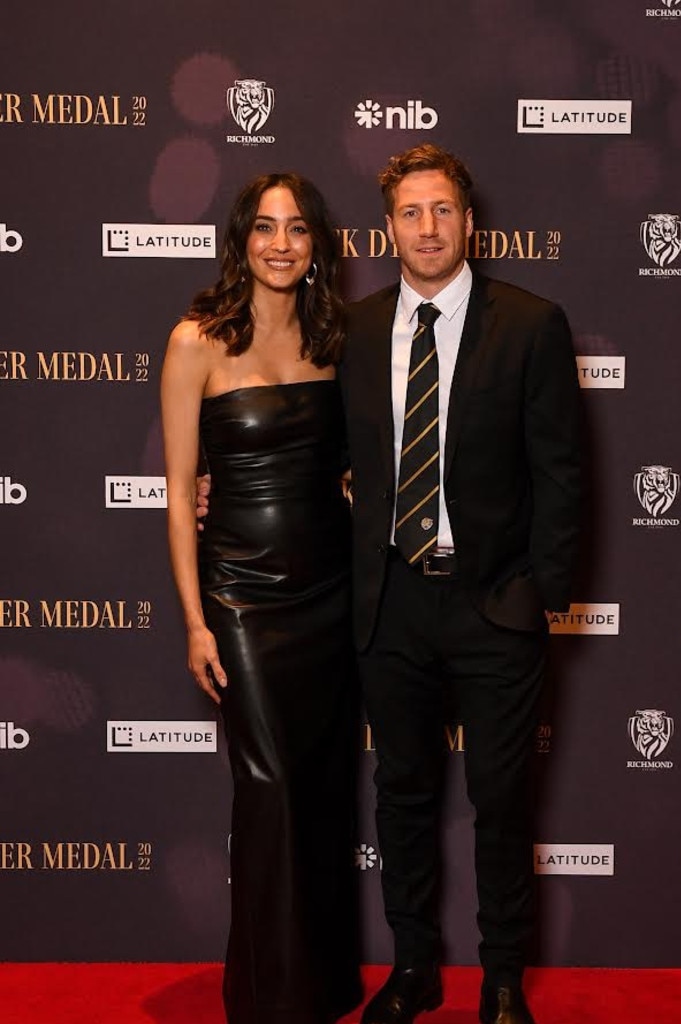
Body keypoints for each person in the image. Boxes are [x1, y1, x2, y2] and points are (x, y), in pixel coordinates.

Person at [339, 145, 582, 1024]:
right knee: (401, 791)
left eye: (442, 210)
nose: (428, 228)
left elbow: (562, 472)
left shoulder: (529, 323)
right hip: (391, 602)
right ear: (389, 228)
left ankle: (504, 976)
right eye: (410, 212)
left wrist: (537, 595)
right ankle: (413, 967)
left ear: (469, 223)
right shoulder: (358, 332)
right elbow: (328, 456)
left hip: (494, 604)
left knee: (501, 798)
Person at [161, 173, 361, 1024]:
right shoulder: (196, 341)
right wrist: (196, 621)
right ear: (241, 239)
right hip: (240, 597)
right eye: (266, 228)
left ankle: (317, 984)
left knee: (319, 789)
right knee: (270, 789)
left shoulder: (338, 340)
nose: (282, 244)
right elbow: (178, 493)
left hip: (330, 591)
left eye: (299, 229)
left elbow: (354, 467)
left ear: (318, 244)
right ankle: (270, 999)